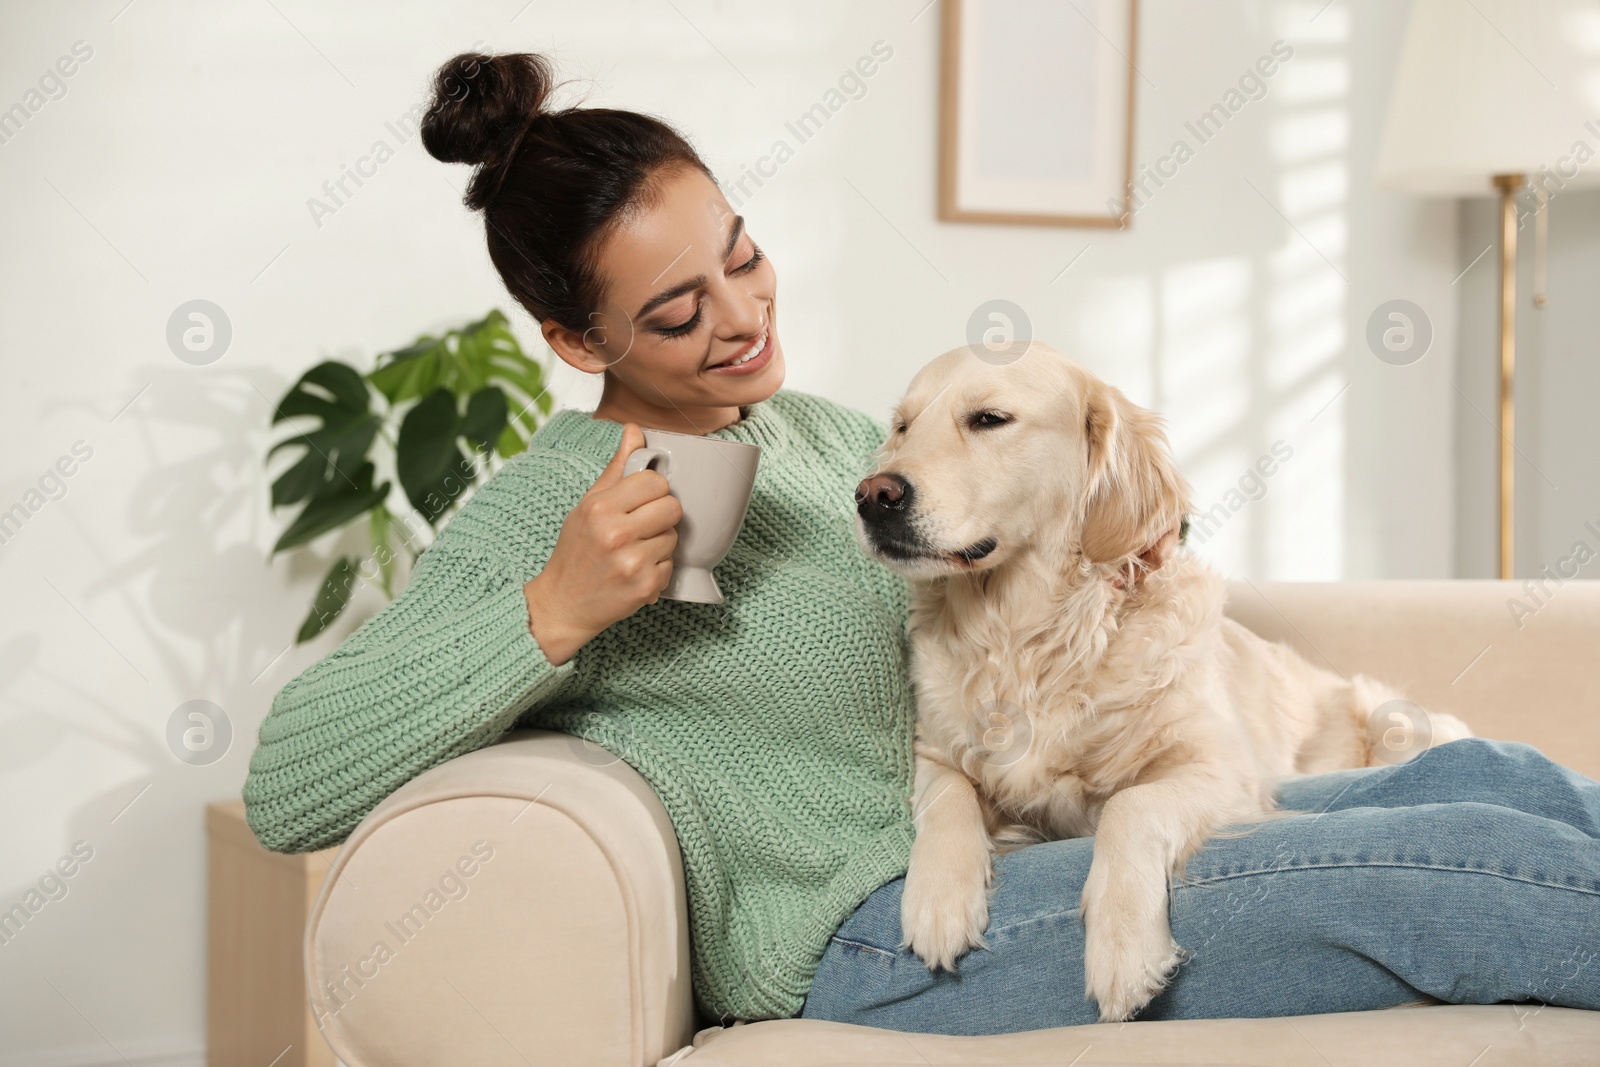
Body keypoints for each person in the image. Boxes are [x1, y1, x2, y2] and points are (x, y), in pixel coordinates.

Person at [242, 51, 1600, 1035]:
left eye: (744, 252)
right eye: (674, 312)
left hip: (1022, 841)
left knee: (1499, 787)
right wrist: (552, 609)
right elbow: (290, 785)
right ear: (574, 341)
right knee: (1458, 869)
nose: (741, 315)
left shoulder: (836, 440)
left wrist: (1119, 545)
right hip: (867, 927)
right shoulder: (553, 511)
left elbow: (1017, 557)